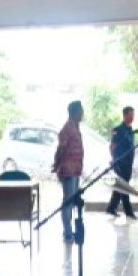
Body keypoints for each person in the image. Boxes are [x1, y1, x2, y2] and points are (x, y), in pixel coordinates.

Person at [52, 100, 85, 243]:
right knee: (68, 202)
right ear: (75, 112)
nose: (83, 113)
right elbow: (61, 149)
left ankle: (69, 230)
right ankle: (67, 232)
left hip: (76, 170)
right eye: (81, 111)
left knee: (72, 202)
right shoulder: (67, 129)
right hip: (68, 171)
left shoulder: (76, 127)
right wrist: (56, 163)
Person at [106, 106, 138, 221]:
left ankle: (111, 207)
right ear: (125, 115)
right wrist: (115, 161)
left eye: (133, 114)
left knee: (121, 186)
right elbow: (112, 147)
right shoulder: (118, 129)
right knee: (125, 187)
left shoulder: (130, 130)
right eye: (131, 114)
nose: (133, 117)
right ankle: (128, 212)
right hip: (120, 163)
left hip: (128, 164)